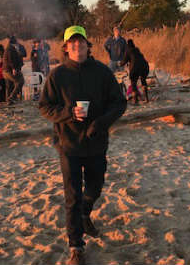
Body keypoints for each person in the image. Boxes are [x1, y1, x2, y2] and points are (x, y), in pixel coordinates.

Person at [39, 26, 126, 265]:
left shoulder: (102, 73)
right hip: (69, 145)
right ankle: (76, 246)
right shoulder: (57, 75)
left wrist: (100, 122)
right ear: (66, 47)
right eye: (72, 43)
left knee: (95, 188)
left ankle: (85, 213)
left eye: (81, 42)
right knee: (72, 196)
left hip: (97, 142)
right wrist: (68, 112)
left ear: (88, 45)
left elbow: (120, 103)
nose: (77, 46)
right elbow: (44, 107)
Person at [120, 39, 150, 104]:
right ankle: (147, 98)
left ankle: (135, 100)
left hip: (135, 68)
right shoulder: (137, 50)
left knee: (133, 83)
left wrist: (120, 63)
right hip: (145, 66)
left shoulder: (128, 51)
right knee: (143, 80)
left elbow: (124, 61)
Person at [2, 36, 24, 105]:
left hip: (5, 70)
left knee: (9, 86)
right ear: (13, 42)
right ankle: (11, 97)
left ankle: (8, 101)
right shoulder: (10, 49)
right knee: (20, 82)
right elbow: (10, 60)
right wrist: (13, 68)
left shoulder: (8, 48)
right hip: (9, 70)